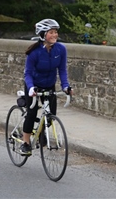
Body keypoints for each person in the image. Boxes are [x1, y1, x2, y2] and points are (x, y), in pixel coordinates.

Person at [20, 18, 72, 156]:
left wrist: (66, 86)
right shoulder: (34, 52)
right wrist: (31, 88)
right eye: (51, 32)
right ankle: (25, 143)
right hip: (34, 86)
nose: (55, 35)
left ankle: (41, 133)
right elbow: (28, 73)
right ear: (43, 34)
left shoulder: (61, 49)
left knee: (50, 115)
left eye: (56, 32)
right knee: (31, 114)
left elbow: (62, 70)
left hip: (49, 85)